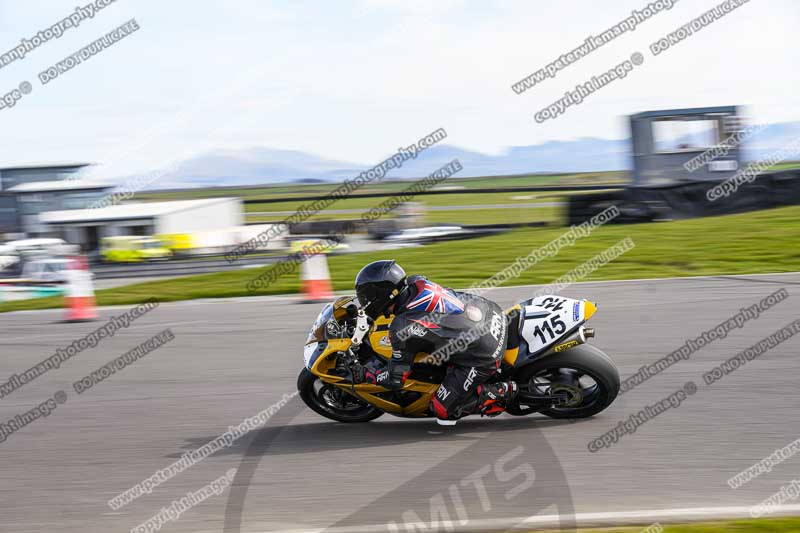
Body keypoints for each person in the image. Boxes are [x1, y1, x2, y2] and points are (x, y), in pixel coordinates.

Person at [352, 259, 517, 425]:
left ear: (380, 295)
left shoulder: (401, 327)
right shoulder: (416, 282)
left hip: (484, 353)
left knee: (442, 409)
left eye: (366, 297)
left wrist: (366, 375)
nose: (364, 302)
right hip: (490, 312)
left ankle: (501, 391)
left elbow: (396, 379)